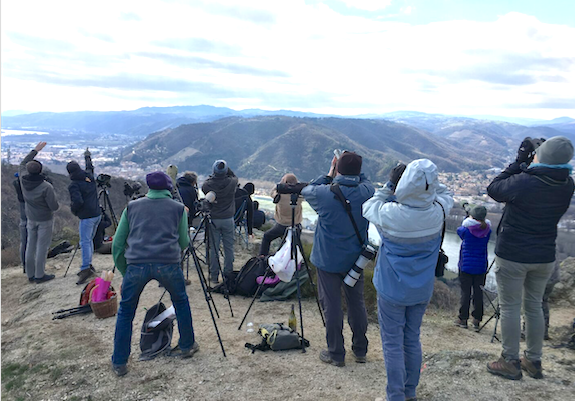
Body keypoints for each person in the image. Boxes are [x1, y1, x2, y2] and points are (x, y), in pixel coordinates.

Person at [363, 159, 454, 401]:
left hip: (391, 289)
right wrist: (428, 180)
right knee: (412, 338)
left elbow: (369, 205)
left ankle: (395, 396)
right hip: (421, 289)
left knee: (392, 343)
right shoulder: (439, 212)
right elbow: (446, 193)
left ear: (404, 184)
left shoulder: (391, 213)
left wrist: (391, 182)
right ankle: (410, 392)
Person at [486, 136, 574, 380]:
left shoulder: (524, 182)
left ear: (541, 156)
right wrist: (535, 160)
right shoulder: (567, 184)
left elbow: (494, 188)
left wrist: (519, 161)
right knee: (534, 306)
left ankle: (510, 361)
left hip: (514, 254)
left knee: (511, 307)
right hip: (544, 256)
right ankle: (534, 360)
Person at [111, 171, 197, 377]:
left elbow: (117, 244)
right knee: (181, 302)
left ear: (149, 187)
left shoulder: (132, 207)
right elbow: (184, 242)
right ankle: (187, 346)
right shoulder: (178, 209)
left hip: (136, 265)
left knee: (125, 312)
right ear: (169, 188)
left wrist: (125, 271)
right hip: (168, 263)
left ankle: (119, 361)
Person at [301, 152, 375, 367]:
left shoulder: (324, 194)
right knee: (356, 303)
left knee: (332, 306)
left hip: (328, 260)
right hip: (355, 261)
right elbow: (366, 179)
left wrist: (330, 173)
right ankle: (360, 350)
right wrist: (351, 174)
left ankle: (336, 353)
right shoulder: (367, 191)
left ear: (338, 169)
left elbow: (307, 189)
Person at [19, 141, 59, 283]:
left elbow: (23, 163)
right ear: (40, 170)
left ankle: (30, 274)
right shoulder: (46, 186)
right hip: (45, 219)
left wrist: (35, 150)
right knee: (42, 247)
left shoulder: (22, 179)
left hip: (30, 217)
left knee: (30, 245)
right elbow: (54, 206)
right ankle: (40, 275)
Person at [67, 148, 101, 285]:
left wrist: (74, 211)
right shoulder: (89, 177)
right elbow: (90, 167)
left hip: (86, 216)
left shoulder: (74, 185)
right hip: (97, 213)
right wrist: (87, 156)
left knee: (85, 242)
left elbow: (78, 201)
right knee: (89, 240)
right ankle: (88, 264)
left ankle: (86, 268)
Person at [454, 205, 491, 331]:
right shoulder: (488, 231)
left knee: (466, 293)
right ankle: (476, 320)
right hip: (481, 267)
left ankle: (463, 318)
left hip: (466, 266)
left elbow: (459, 230)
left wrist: (467, 217)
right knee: (478, 293)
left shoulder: (465, 230)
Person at [201, 160, 238, 284]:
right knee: (229, 248)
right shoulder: (232, 183)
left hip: (214, 219)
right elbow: (234, 176)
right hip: (228, 218)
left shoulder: (207, 185)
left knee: (214, 249)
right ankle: (228, 275)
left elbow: (205, 186)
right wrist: (226, 169)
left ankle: (214, 276)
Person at [259, 173, 303, 256]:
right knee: (293, 246)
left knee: (267, 237)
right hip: (296, 225)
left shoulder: (279, 195)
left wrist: (279, 185)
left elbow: (272, 192)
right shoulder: (299, 196)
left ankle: (262, 257)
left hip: (282, 225)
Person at [12, 172, 27, 273]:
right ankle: (33, 265)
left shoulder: (16, 183)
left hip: (22, 211)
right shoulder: (28, 185)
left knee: (24, 241)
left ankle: (25, 265)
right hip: (31, 210)